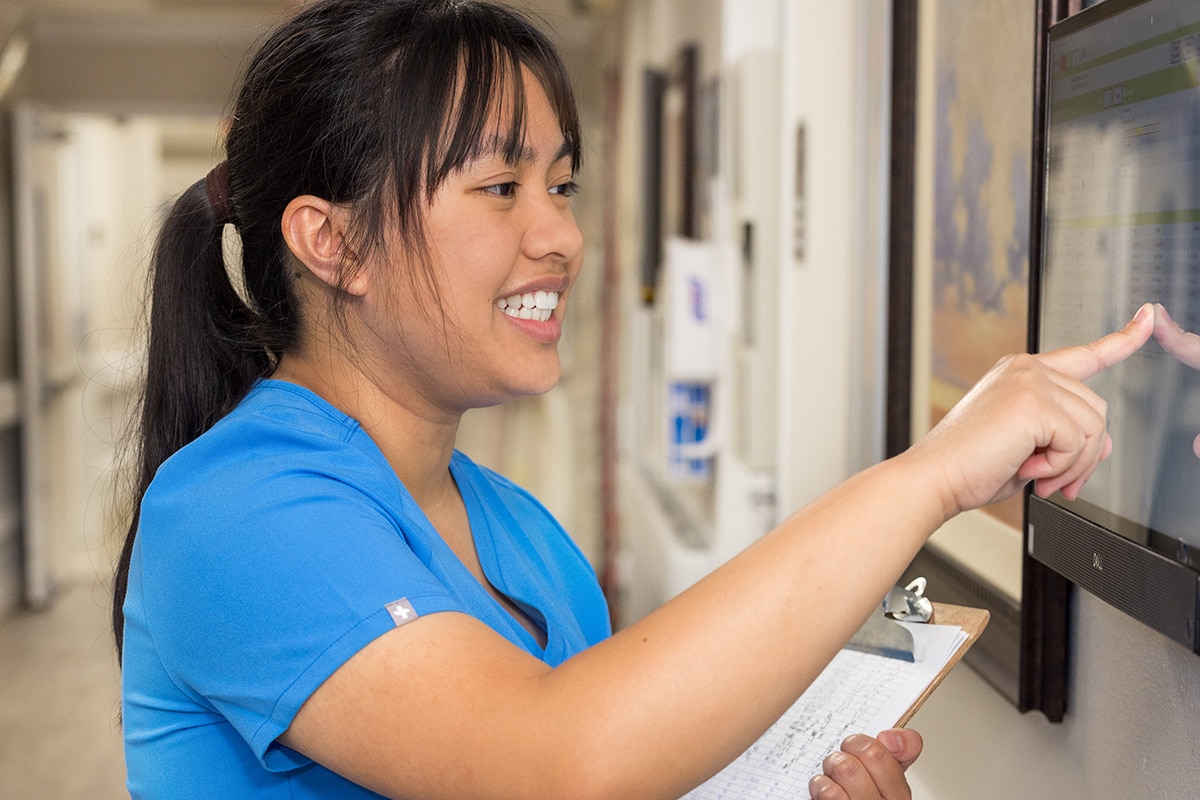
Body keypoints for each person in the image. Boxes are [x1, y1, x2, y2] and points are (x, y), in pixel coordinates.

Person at [111, 1, 1154, 798]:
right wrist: (933, 473)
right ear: (331, 241)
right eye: (500, 187)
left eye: (562, 185)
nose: (561, 235)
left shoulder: (524, 537)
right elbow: (558, 759)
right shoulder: (234, 510)